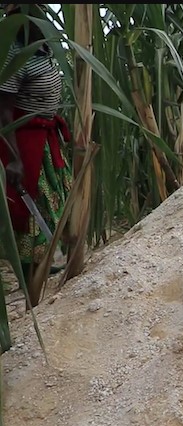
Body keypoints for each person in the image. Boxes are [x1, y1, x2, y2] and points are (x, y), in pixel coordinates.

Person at [0, 3, 72, 306]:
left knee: (56, 207)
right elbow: (3, 111)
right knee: (30, 213)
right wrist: (14, 159)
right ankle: (31, 288)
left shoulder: (43, 48)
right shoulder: (13, 52)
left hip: (46, 140)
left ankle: (49, 270)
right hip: (24, 143)